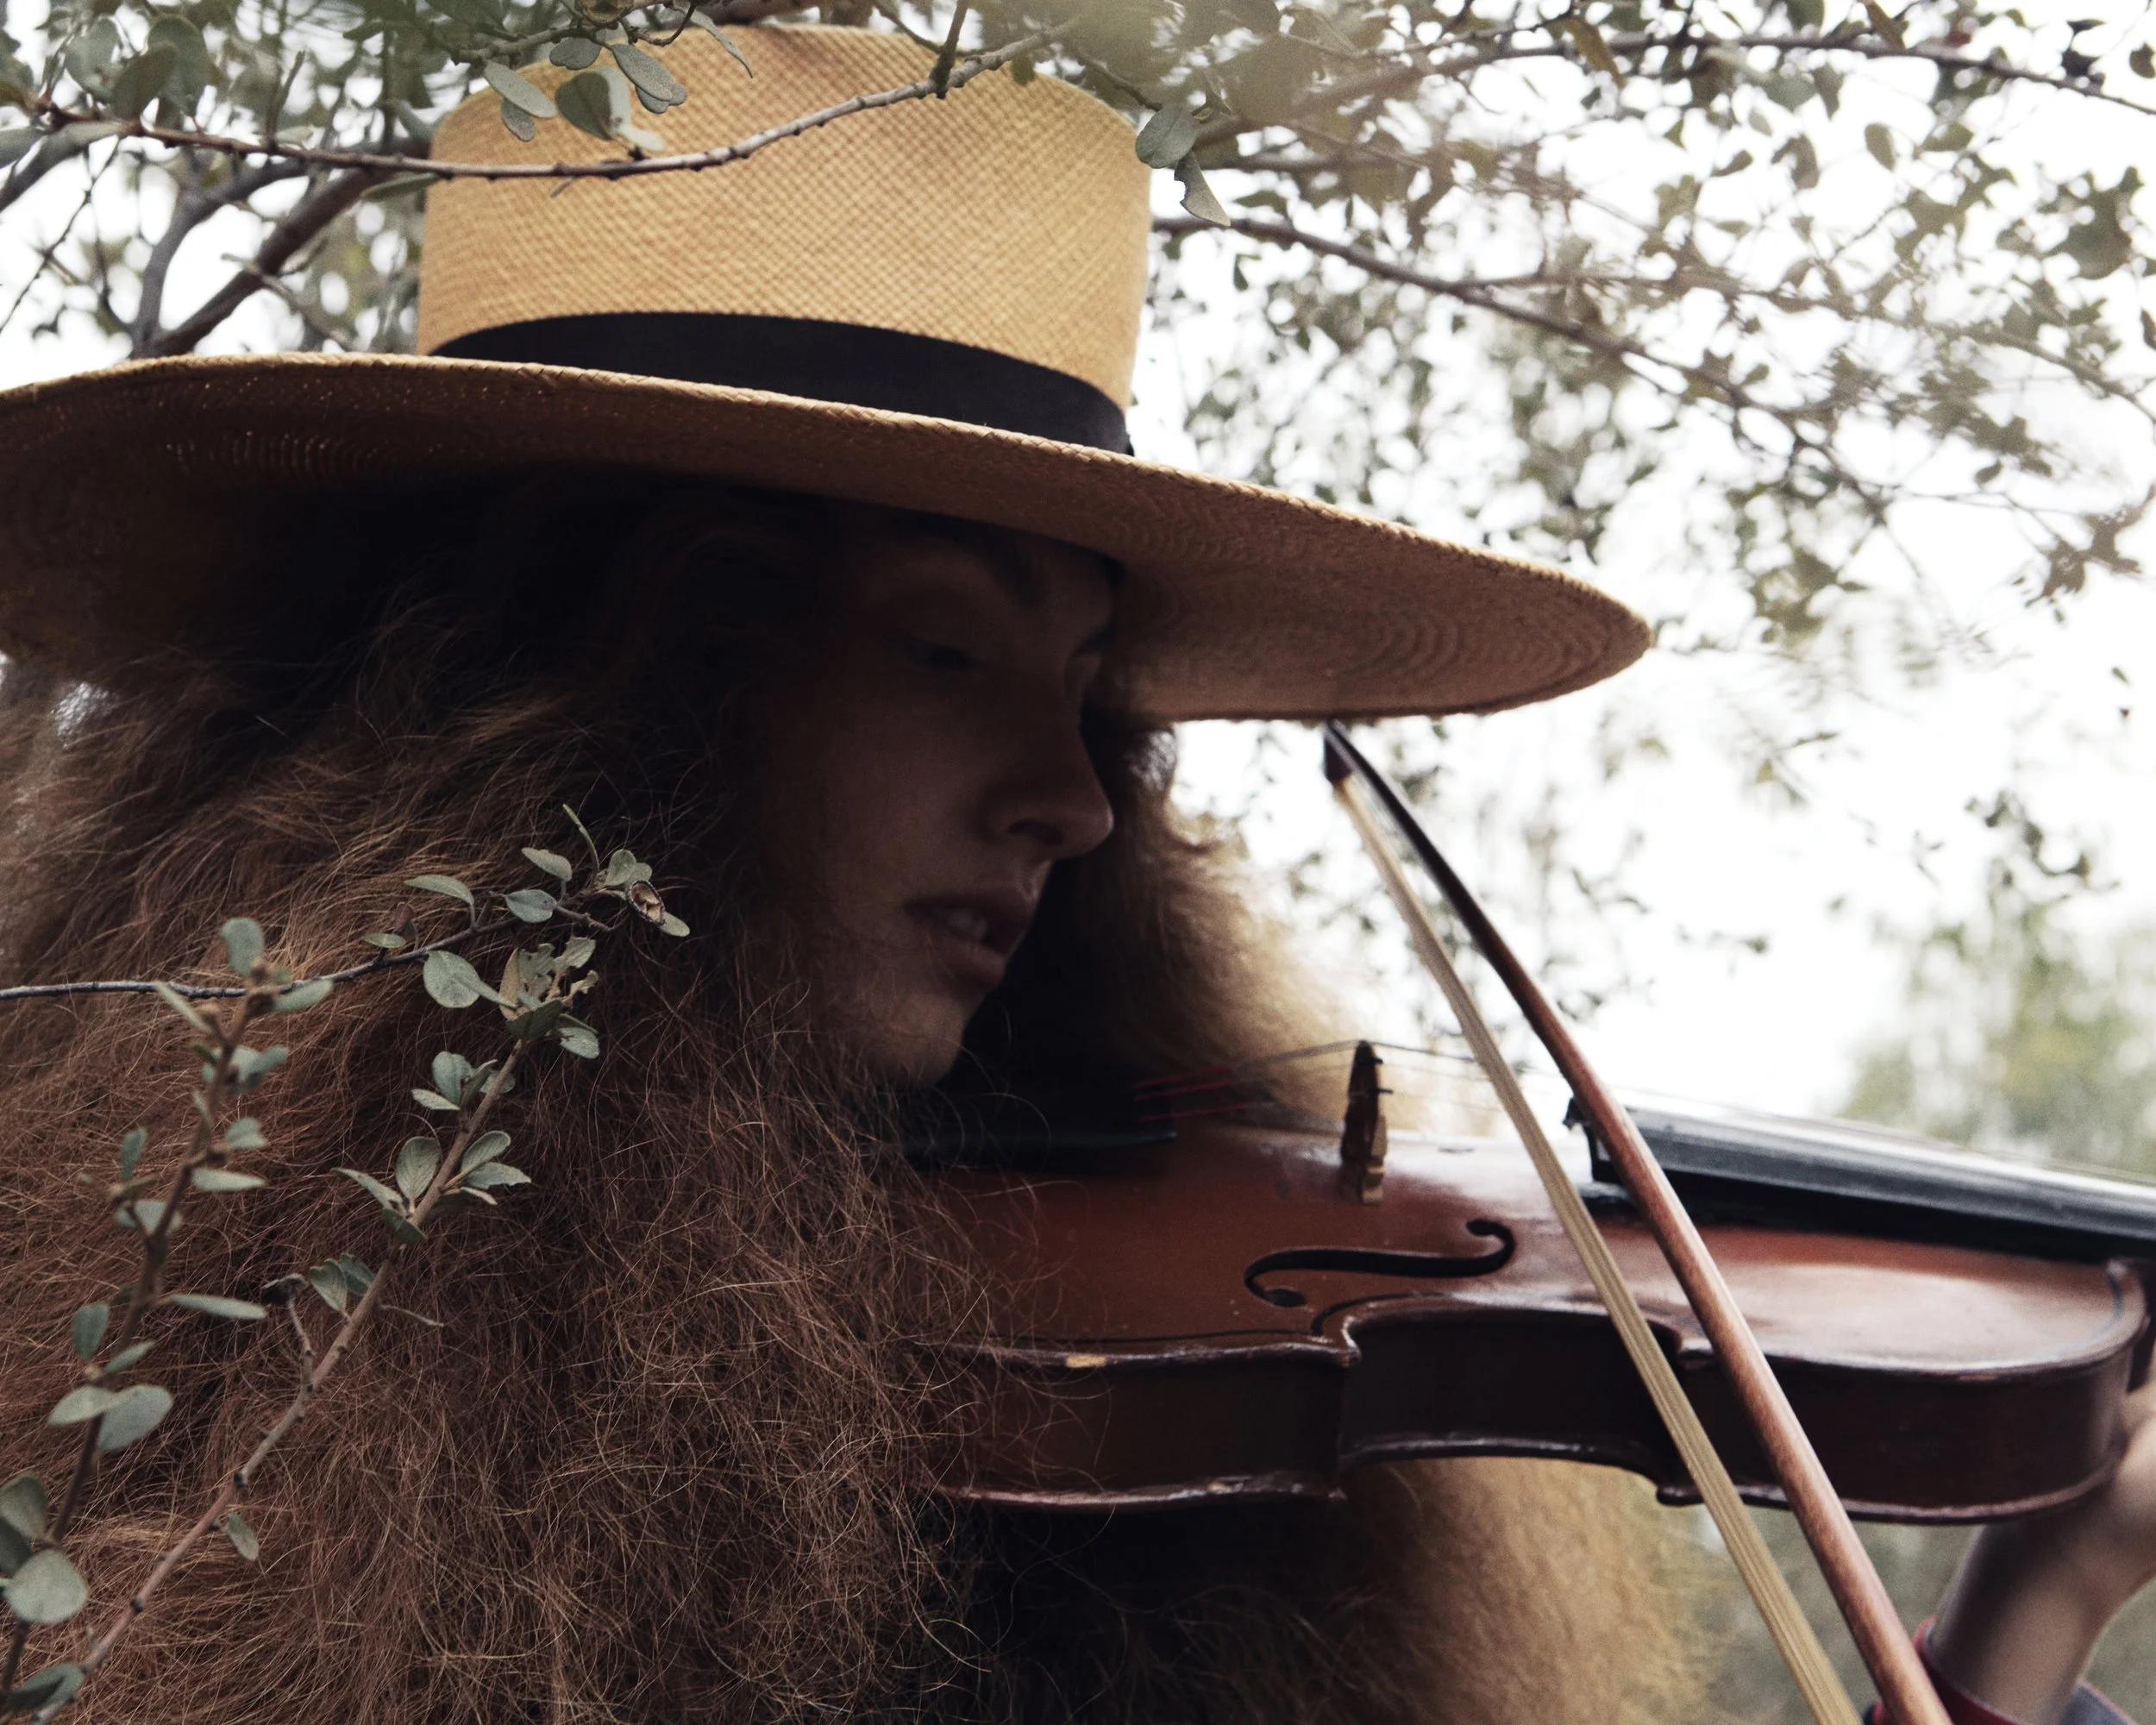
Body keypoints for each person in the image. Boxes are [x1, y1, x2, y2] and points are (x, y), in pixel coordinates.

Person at [0, 22, 2147, 1725]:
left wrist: (2032, 1605)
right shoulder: (123, 1418)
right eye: (946, 649)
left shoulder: (1121, 1490)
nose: (1078, 800)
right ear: (593, 694)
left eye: (1096, 696)